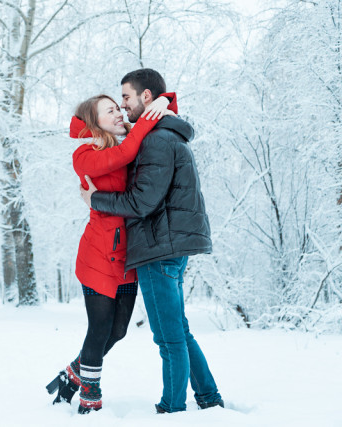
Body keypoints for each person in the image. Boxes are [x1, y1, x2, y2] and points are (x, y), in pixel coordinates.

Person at [80, 68, 224, 413]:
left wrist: (94, 199)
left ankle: (172, 408)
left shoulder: (157, 140)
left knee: (168, 336)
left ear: (146, 98)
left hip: (160, 247)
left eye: (126, 97)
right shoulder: (162, 134)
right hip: (168, 244)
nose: (123, 106)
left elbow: (142, 202)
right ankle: (208, 397)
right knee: (179, 330)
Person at [46, 91, 177, 414]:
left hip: (127, 254)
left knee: (118, 330)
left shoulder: (125, 143)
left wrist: (165, 101)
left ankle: (73, 373)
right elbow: (127, 152)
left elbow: (167, 123)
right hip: (98, 254)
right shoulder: (85, 155)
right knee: (100, 328)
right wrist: (152, 112)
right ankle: (90, 392)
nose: (119, 112)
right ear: (94, 123)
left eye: (119, 107)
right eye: (110, 110)